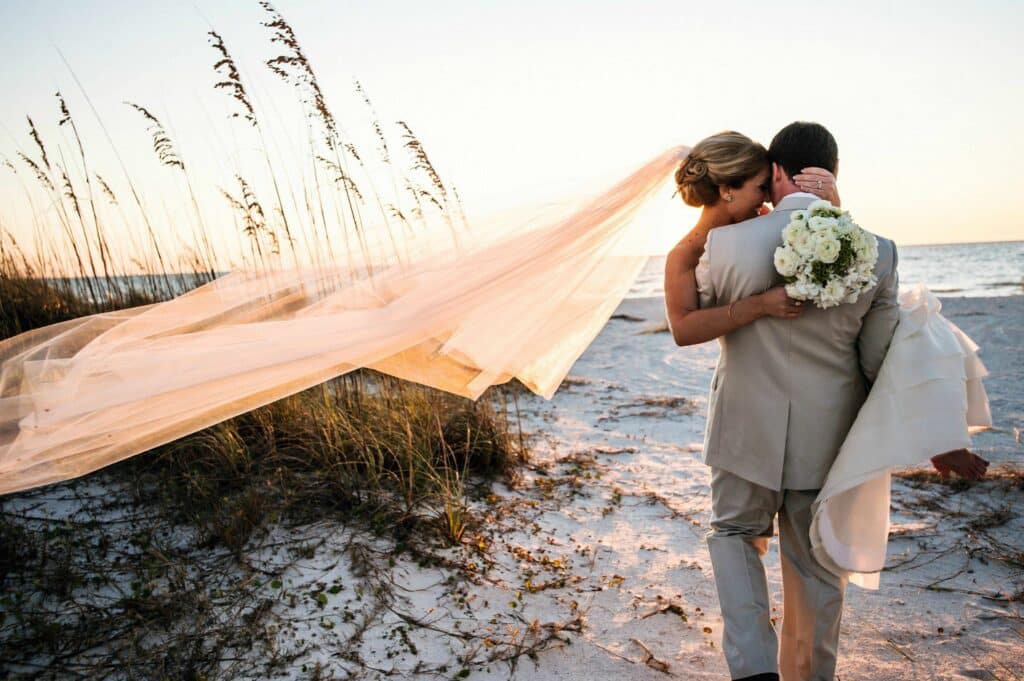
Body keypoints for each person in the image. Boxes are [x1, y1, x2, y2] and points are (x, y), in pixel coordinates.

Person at [664, 122, 988, 681]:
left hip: (742, 428)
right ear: (833, 176)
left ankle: (754, 670)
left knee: (735, 536)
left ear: (775, 174)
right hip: (826, 436)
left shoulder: (723, 243)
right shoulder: (875, 253)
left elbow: (695, 318)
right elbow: (881, 357)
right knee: (815, 565)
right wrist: (937, 435)